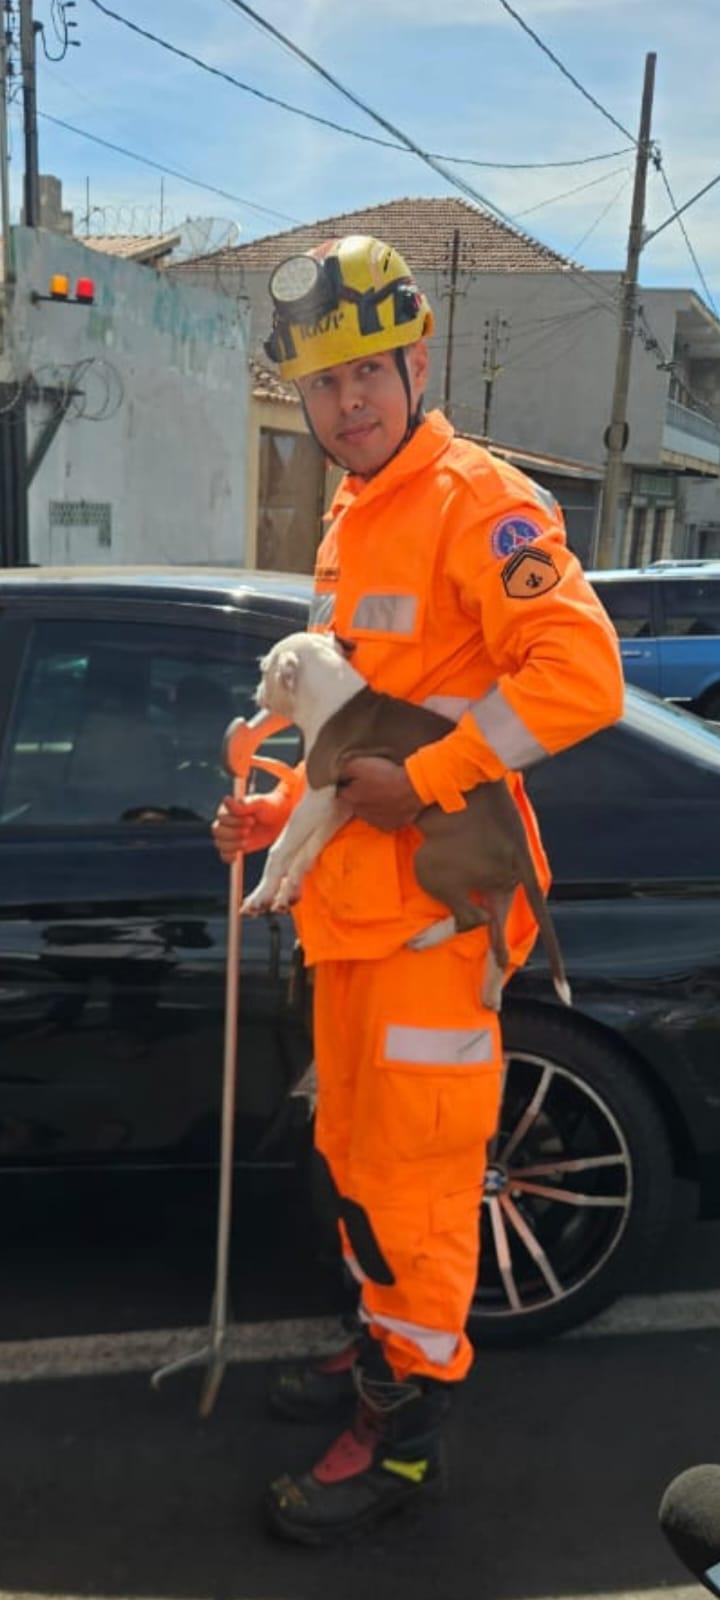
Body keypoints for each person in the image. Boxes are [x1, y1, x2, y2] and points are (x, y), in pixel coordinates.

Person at [213, 233, 624, 1545]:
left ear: (415, 362)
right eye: (326, 384)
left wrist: (433, 776)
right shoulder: (354, 515)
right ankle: (375, 1348)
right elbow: (355, 740)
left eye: (367, 376)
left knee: (421, 1185)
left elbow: (582, 675)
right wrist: (279, 808)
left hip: (439, 925)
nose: (347, 404)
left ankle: (401, 1444)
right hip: (357, 917)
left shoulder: (477, 501)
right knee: (355, 1157)